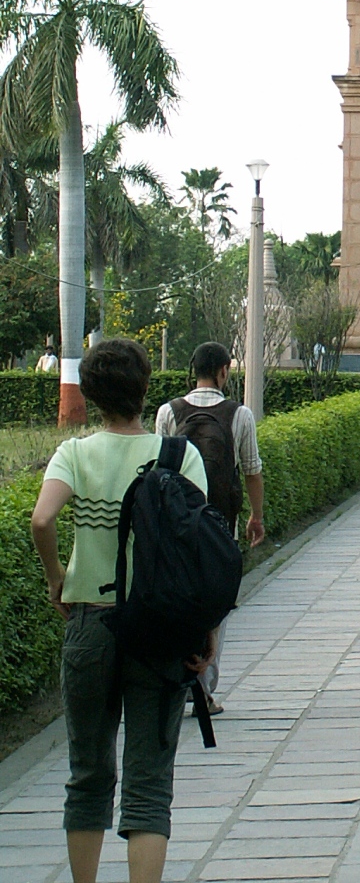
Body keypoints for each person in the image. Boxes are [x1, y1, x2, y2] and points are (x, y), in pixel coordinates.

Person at [31, 337, 214, 883]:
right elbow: (197, 553)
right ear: (144, 389)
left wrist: (55, 578)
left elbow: (41, 521)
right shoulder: (179, 457)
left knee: (87, 775)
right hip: (157, 630)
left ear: (90, 394)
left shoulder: (75, 454)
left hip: (90, 621)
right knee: (149, 783)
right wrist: (201, 632)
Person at [154, 341, 265, 714]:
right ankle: (204, 686)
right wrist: (256, 517)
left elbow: (159, 471)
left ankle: (177, 676)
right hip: (220, 527)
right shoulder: (240, 414)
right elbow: (252, 469)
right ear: (223, 371)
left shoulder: (168, 412)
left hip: (177, 525)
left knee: (179, 598)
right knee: (215, 603)